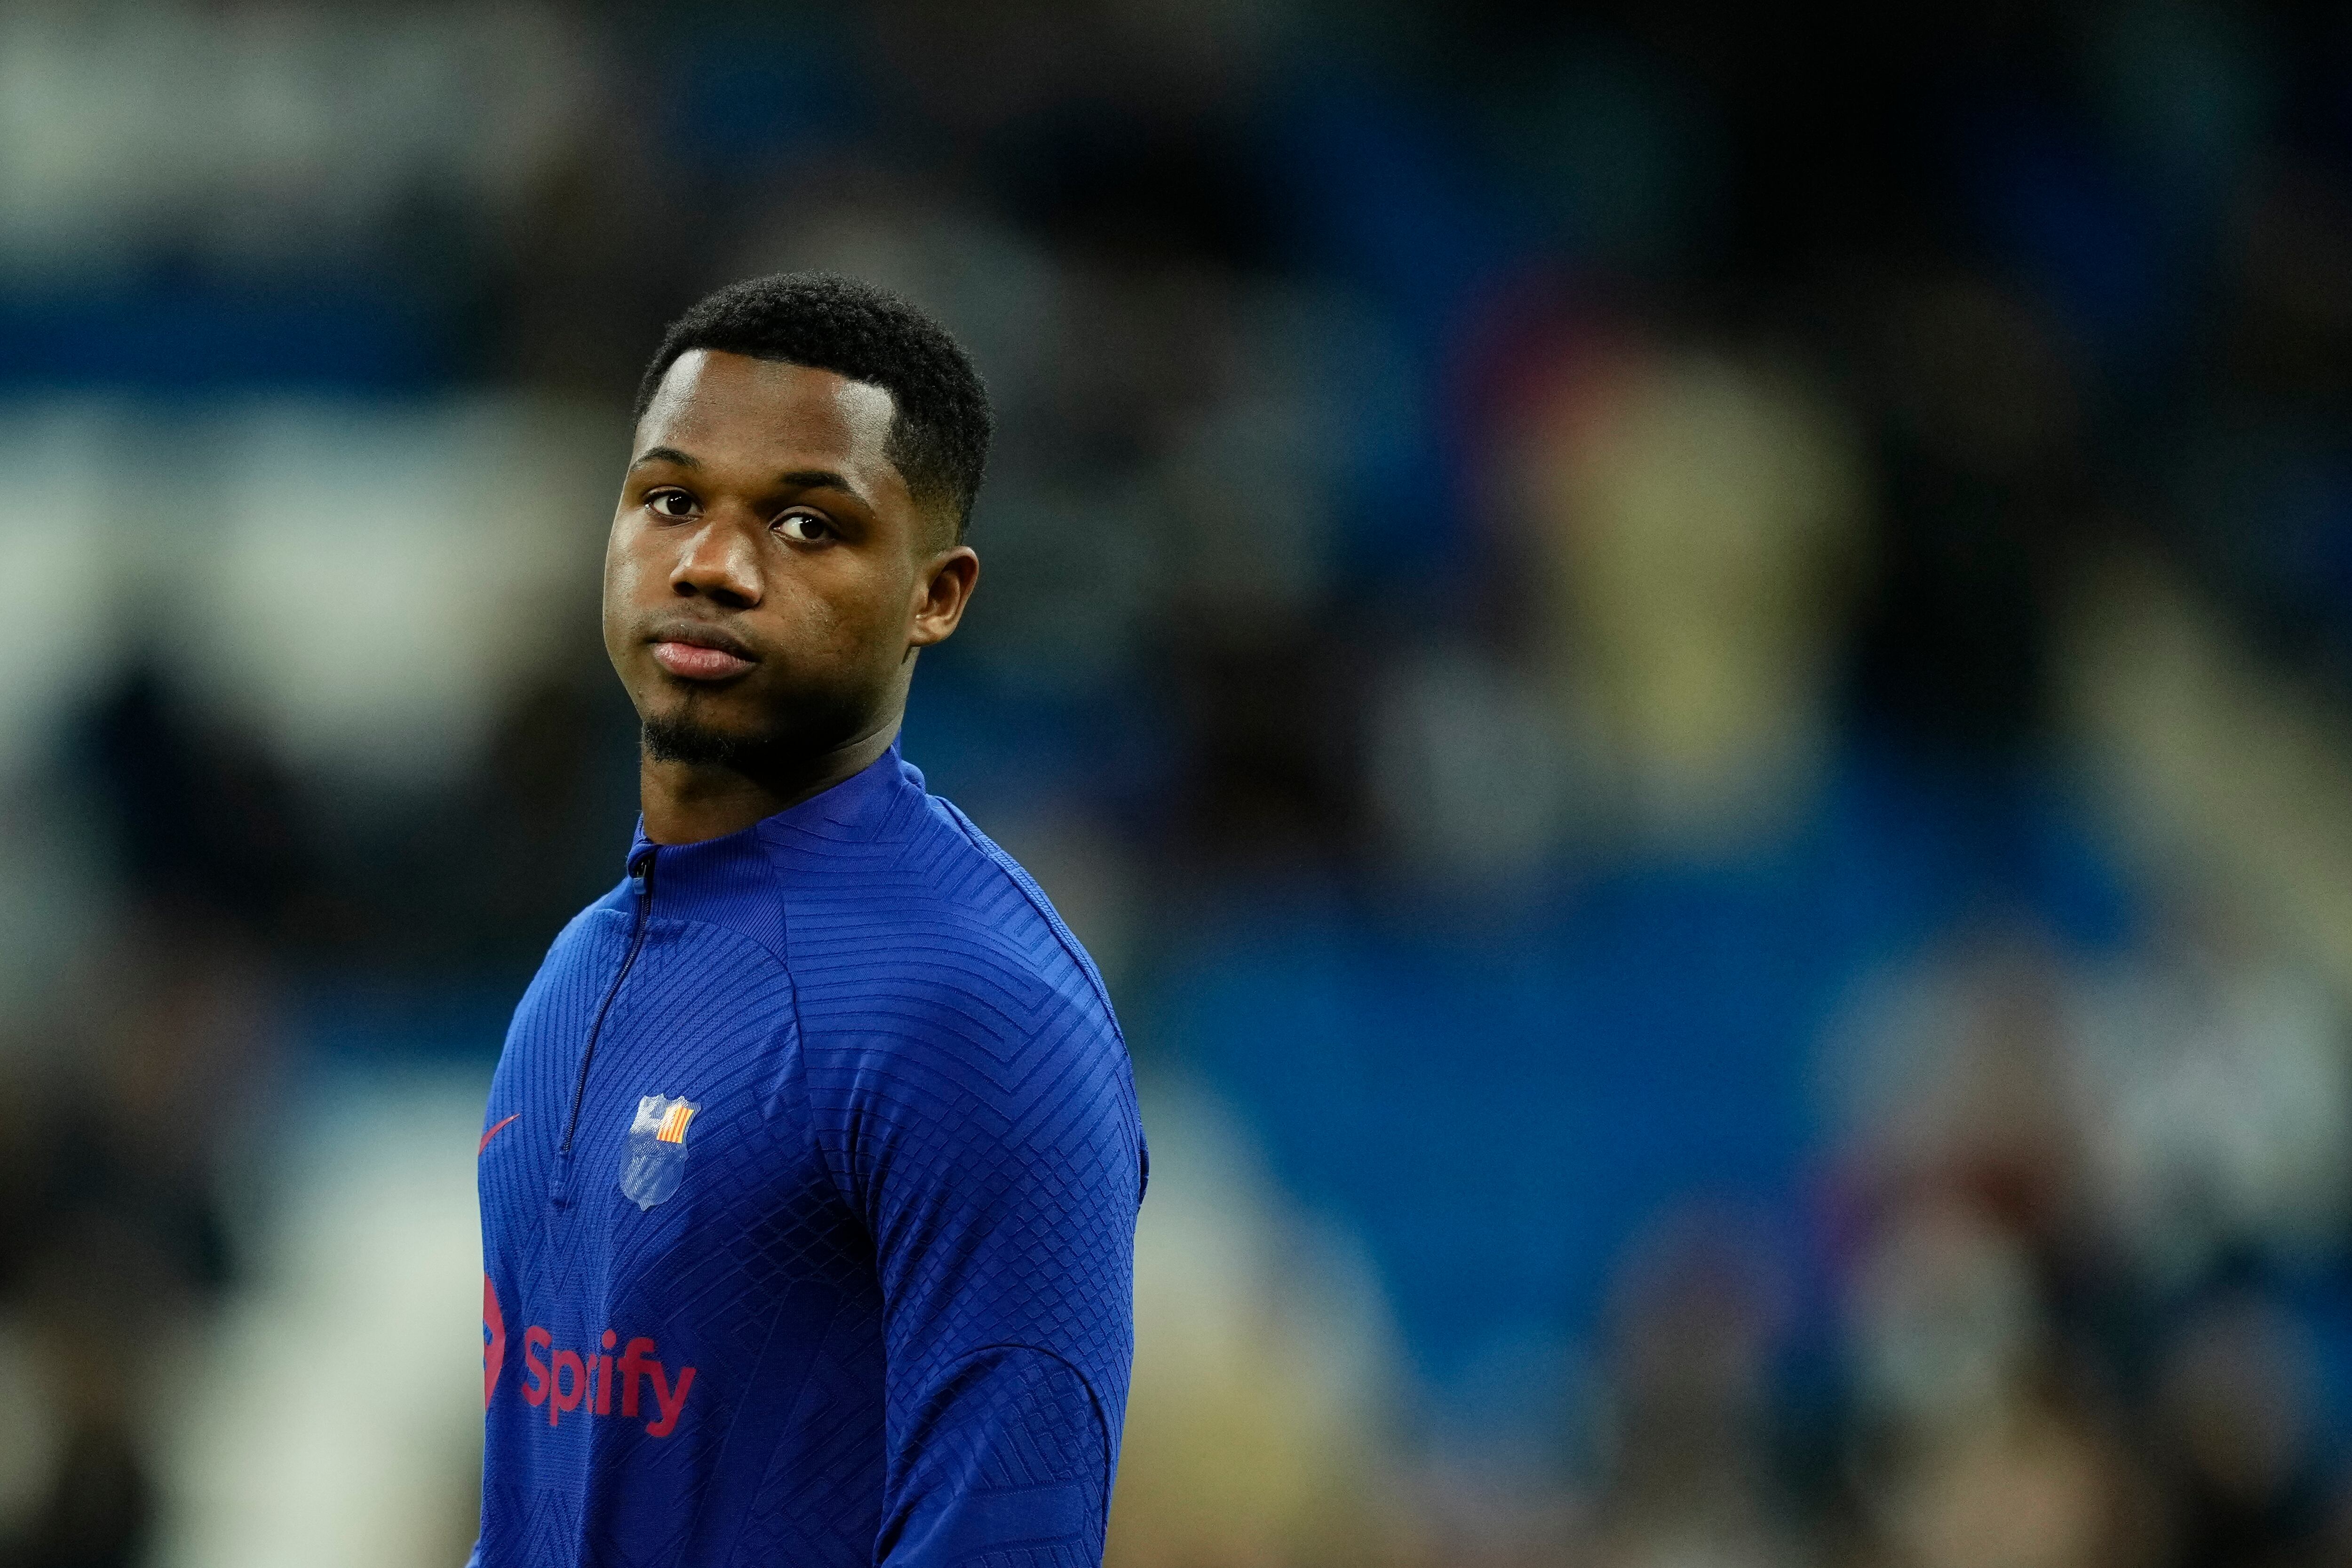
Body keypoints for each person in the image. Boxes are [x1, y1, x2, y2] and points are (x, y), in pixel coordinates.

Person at [469, 274, 1146, 1567]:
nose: (713, 565)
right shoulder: (568, 983)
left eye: (804, 523)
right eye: (671, 501)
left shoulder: (982, 1012)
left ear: (936, 596)